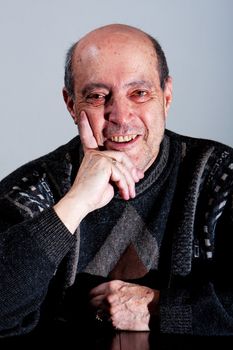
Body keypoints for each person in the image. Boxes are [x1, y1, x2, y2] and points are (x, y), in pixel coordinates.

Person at [0, 23, 233, 341]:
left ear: (166, 97)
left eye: (139, 93)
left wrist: (156, 309)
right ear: (71, 105)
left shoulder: (220, 175)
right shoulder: (33, 189)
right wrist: (75, 202)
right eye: (97, 96)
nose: (121, 116)